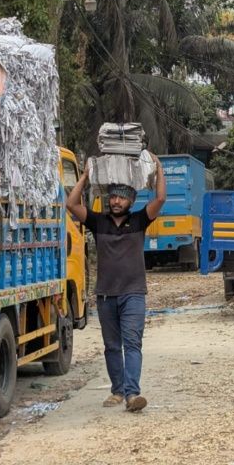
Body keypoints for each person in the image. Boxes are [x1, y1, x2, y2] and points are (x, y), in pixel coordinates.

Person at [66, 155, 165, 413]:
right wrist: (86, 177)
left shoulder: (140, 221)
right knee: (112, 346)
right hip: (106, 296)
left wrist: (159, 172)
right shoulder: (98, 222)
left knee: (132, 343)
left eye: (121, 198)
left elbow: (160, 199)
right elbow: (71, 203)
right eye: (113, 197)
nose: (116, 201)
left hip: (133, 294)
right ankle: (117, 391)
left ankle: (133, 394)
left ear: (130, 201)